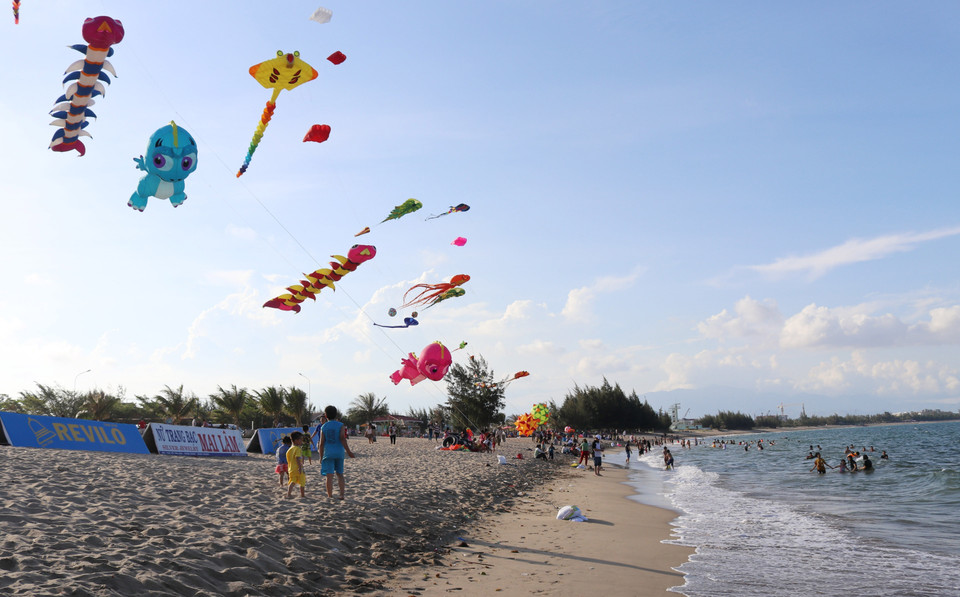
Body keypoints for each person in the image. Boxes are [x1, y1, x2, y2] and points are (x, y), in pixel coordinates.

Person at [319, 405, 355, 500]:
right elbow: (342, 439)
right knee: (340, 474)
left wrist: (320, 456)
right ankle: (341, 494)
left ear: (326, 415)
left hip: (328, 453)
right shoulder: (340, 425)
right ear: (336, 415)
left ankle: (330, 495)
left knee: (329, 475)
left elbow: (321, 443)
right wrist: (349, 451)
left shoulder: (323, 426)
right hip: (339, 452)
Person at [285, 432, 306, 498]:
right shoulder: (297, 449)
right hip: (298, 468)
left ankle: (288, 494)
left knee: (292, 481)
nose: (302, 441)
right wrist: (300, 467)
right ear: (296, 440)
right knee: (302, 481)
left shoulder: (289, 450)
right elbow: (297, 458)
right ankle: (302, 495)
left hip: (291, 469)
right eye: (301, 439)